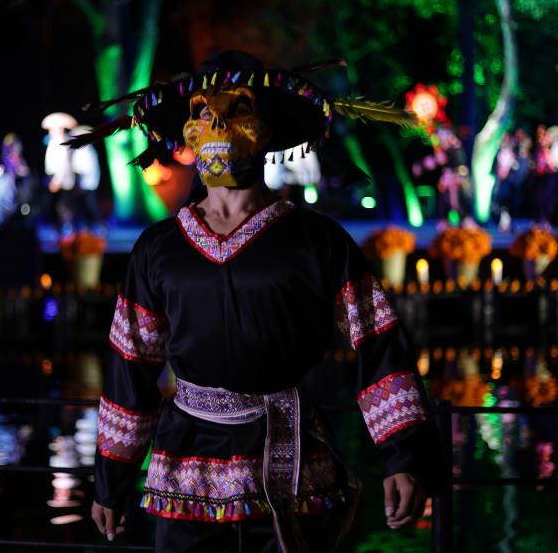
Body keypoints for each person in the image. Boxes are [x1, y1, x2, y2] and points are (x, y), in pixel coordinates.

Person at [73, 51, 443, 552]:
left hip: (294, 471)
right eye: (202, 112)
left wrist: (405, 457)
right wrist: (111, 480)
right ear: (187, 134)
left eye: (238, 108)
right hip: (186, 473)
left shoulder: (318, 240)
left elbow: (377, 341)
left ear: (267, 131)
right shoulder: (157, 249)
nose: (218, 123)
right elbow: (131, 364)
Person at [43, 113, 102, 233]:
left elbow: (64, 164)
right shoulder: (54, 142)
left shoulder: (67, 144)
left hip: (68, 181)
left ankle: (86, 229)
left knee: (75, 206)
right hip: (60, 179)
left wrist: (57, 180)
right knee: (66, 206)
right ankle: (72, 229)